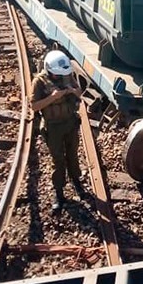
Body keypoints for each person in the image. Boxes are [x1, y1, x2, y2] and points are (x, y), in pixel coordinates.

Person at [29, 50, 86, 214]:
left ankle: (77, 182)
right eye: (56, 75)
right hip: (53, 126)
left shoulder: (66, 76)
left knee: (73, 155)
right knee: (58, 159)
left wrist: (72, 91)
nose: (59, 77)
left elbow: (79, 92)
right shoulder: (39, 82)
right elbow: (34, 106)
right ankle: (59, 193)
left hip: (70, 122)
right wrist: (53, 97)